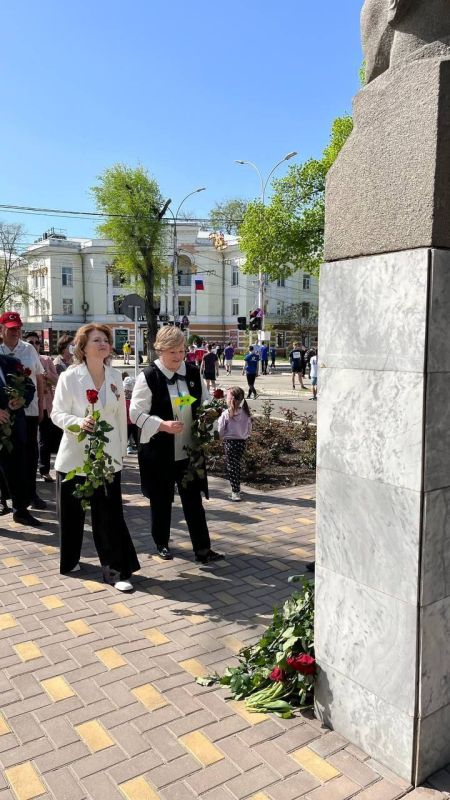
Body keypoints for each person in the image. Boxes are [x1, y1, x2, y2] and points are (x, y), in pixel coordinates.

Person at [51, 323, 140, 591]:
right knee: (71, 515)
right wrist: (78, 422)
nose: (103, 344)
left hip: (106, 460)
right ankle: (70, 561)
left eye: (106, 340)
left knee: (108, 516)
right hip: (74, 459)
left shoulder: (115, 376)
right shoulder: (70, 377)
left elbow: (119, 419)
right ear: (83, 347)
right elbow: (56, 414)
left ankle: (115, 571)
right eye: (97, 340)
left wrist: (121, 452)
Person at [129, 326, 223, 564]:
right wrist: (161, 425)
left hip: (189, 451)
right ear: (160, 350)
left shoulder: (192, 372)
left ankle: (203, 549)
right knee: (161, 501)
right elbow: (135, 414)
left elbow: (203, 400)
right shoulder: (148, 377)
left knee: (194, 502)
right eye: (172, 351)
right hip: (159, 452)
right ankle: (161, 543)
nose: (178, 356)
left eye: (181, 351)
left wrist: (210, 411)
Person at [0, 313, 46, 511]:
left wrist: (42, 404)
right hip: (6, 414)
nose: (15, 332)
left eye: (18, 328)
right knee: (6, 456)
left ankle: (31, 494)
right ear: (2, 329)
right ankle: (5, 497)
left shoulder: (28, 349)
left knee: (29, 454)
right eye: (10, 328)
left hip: (30, 410)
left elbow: (39, 378)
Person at [0, 351, 40, 526]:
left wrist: (22, 399)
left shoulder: (11, 363)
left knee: (18, 472)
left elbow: (30, 386)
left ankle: (20, 511)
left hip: (14, 430)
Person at [25, 332, 59, 483]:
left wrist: (45, 375)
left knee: (44, 440)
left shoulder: (46, 360)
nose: (34, 345)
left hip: (46, 405)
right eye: (30, 342)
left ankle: (44, 470)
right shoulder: (23, 359)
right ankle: (28, 472)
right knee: (30, 439)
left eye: (36, 343)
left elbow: (56, 379)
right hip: (29, 405)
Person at [218, 386, 252, 502]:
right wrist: (245, 435)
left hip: (230, 443)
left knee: (232, 467)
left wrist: (220, 437)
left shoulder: (226, 414)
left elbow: (221, 429)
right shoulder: (246, 413)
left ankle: (235, 492)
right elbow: (249, 429)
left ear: (231, 399)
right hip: (242, 442)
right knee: (237, 466)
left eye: (227, 396)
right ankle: (237, 487)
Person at [123, 375, 138, 454]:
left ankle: (129, 446)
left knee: (136, 440)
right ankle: (129, 446)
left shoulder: (126, 399)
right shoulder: (124, 400)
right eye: (126, 391)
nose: (128, 392)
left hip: (132, 422)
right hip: (129, 422)